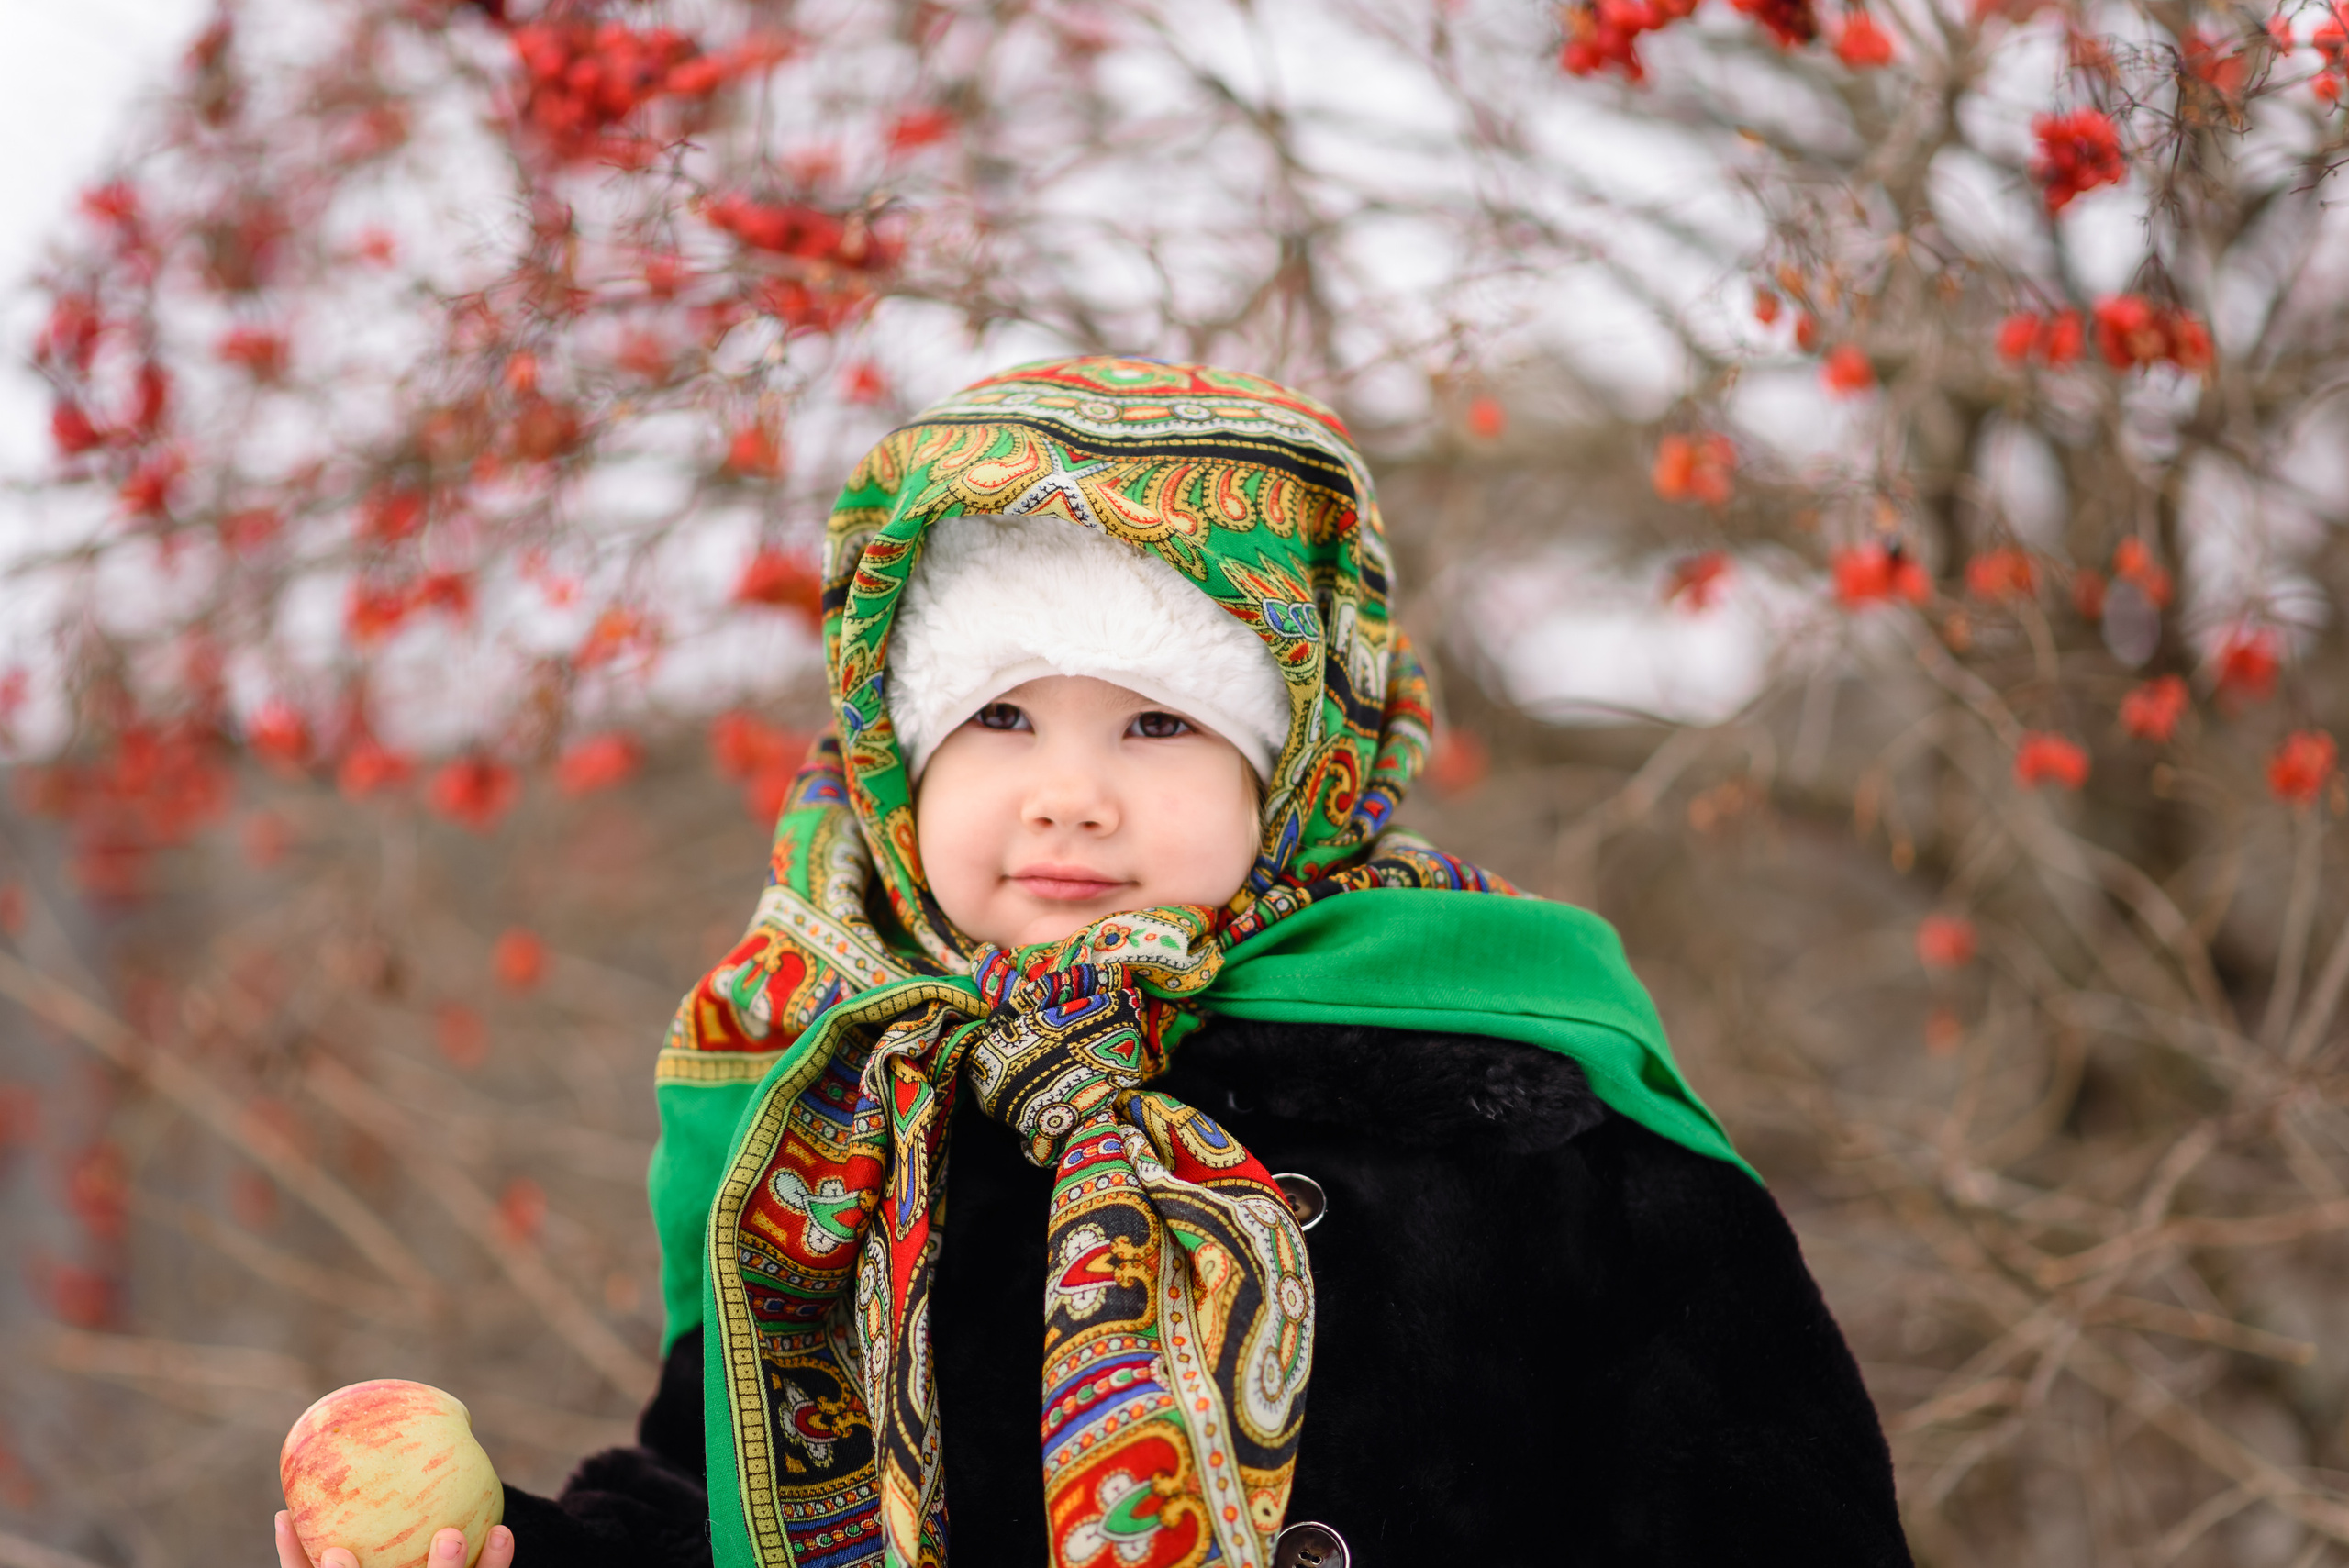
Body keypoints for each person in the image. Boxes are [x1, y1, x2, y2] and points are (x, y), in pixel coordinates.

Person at [278, 357, 1911, 1568]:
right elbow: (722, 1505)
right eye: (996, 716)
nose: (1070, 786)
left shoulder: (1508, 1090)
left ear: (1294, 772)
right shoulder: (847, 1121)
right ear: (894, 757)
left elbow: (1768, 1501)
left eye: (1156, 720)